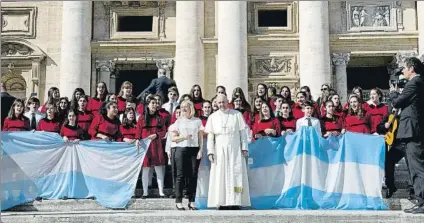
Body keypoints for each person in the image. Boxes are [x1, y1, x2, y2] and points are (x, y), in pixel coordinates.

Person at [389, 57, 424, 214]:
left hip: (412, 131)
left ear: (412, 69)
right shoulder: (418, 83)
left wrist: (393, 93)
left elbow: (398, 102)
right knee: (414, 167)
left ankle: (422, 202)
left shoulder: (415, 83)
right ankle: (420, 199)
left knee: (417, 168)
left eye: (404, 68)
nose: (402, 71)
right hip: (412, 131)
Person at [205, 94, 250, 210]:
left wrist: (244, 147)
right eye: (219, 103)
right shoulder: (213, 117)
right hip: (219, 149)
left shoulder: (237, 115)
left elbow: (243, 133)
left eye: (223, 102)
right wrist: (210, 151)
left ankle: (236, 200)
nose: (221, 105)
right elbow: (210, 136)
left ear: (228, 102)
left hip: (235, 149)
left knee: (236, 175)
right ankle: (221, 201)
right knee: (220, 175)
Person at [170, 100, 204, 210]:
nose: (184, 108)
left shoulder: (197, 121)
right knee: (180, 175)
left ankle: (191, 201)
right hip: (181, 149)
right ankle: (178, 201)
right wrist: (183, 137)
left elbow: (200, 138)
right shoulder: (178, 122)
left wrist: (200, 150)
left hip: (194, 150)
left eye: (186, 106)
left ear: (191, 107)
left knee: (193, 175)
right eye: (182, 107)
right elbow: (173, 138)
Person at [135, 96, 167, 199]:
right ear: (147, 105)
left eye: (156, 103)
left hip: (156, 146)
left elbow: (163, 131)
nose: (155, 105)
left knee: (158, 168)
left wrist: (156, 135)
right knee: (145, 169)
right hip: (145, 146)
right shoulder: (141, 118)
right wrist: (137, 140)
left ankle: (161, 192)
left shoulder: (160, 118)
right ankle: (145, 192)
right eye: (153, 103)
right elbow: (138, 133)